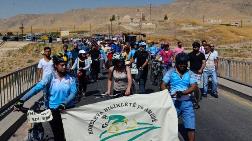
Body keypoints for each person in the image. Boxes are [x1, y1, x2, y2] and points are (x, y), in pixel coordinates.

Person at [14, 53, 77, 141]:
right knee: (58, 135)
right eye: (62, 65)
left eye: (66, 65)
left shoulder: (71, 78)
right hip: (53, 110)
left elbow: (73, 93)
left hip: (68, 109)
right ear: (56, 65)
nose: (65, 67)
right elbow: (37, 88)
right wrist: (22, 100)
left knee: (71, 134)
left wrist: (64, 103)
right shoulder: (50, 77)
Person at [161, 53, 197, 141]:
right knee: (168, 125)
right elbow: (163, 85)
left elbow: (193, 86)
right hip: (173, 103)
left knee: (191, 127)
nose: (182, 65)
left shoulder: (190, 73)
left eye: (184, 63)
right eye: (180, 63)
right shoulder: (170, 72)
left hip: (187, 103)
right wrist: (167, 94)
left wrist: (183, 92)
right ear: (177, 63)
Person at [188, 41, 206, 108]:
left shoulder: (202, 55)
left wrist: (201, 69)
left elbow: (204, 63)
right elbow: (186, 60)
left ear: (198, 47)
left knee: (197, 87)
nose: (195, 48)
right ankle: (190, 97)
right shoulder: (190, 54)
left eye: (196, 47)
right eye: (194, 47)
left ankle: (197, 101)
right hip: (191, 71)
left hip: (199, 72)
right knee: (190, 85)